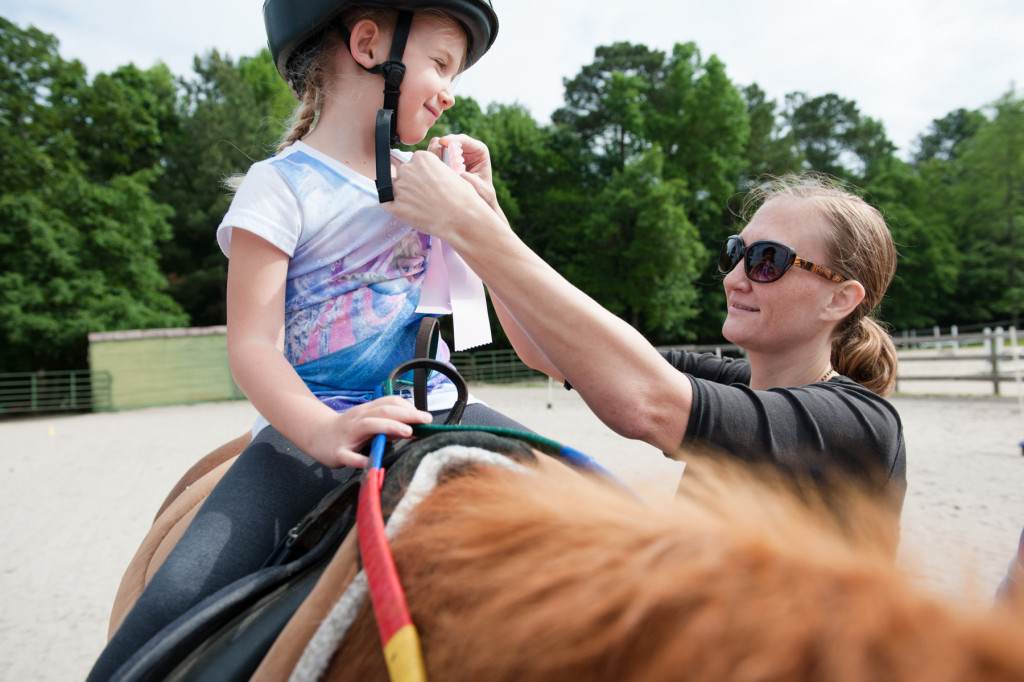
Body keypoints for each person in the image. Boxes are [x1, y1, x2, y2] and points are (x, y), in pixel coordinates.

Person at [89, 2, 511, 679]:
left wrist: (479, 207)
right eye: (439, 64)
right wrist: (319, 428)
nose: (451, 89)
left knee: (589, 497)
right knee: (161, 618)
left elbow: (493, 297)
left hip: (435, 413)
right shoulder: (279, 186)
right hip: (306, 435)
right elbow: (253, 347)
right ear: (370, 44)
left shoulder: (427, 186)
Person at [386, 154, 907, 509]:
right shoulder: (733, 383)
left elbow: (645, 404)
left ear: (841, 299)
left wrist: (466, 228)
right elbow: (551, 352)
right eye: (736, 253)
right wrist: (486, 215)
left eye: (766, 261)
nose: (734, 277)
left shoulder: (859, 425)